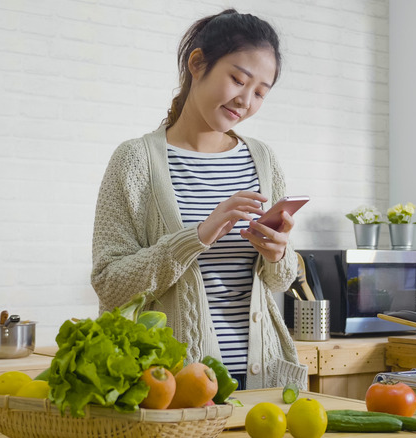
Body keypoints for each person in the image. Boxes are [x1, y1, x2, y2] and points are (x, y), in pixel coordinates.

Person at [91, 8, 307, 390]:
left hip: (263, 376)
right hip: (171, 383)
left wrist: (278, 254)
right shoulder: (135, 160)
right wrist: (197, 236)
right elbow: (109, 283)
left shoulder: (263, 159)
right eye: (237, 80)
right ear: (197, 63)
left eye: (260, 93)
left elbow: (281, 278)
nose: (246, 100)